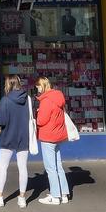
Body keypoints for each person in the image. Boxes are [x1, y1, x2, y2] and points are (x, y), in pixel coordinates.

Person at [0, 75, 30, 208]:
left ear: (8, 84)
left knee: (3, 168)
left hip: (8, 136)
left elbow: (1, 121)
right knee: (23, 168)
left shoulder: (5, 100)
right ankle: (22, 198)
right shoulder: (27, 99)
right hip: (23, 137)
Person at [35, 76, 70, 205]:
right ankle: (64, 194)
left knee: (50, 168)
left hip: (48, 136)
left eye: (38, 86)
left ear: (43, 86)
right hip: (58, 136)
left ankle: (55, 196)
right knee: (58, 166)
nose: (37, 89)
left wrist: (37, 114)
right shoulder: (58, 97)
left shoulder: (46, 101)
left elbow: (41, 121)